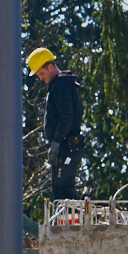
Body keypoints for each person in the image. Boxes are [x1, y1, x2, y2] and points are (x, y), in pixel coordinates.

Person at [28, 46, 83, 200]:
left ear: (50, 67)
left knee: (62, 186)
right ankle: (70, 221)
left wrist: (56, 143)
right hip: (67, 144)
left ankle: (72, 223)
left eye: (42, 73)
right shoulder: (62, 84)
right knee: (61, 186)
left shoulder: (60, 85)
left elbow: (67, 116)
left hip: (66, 144)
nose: (40, 78)